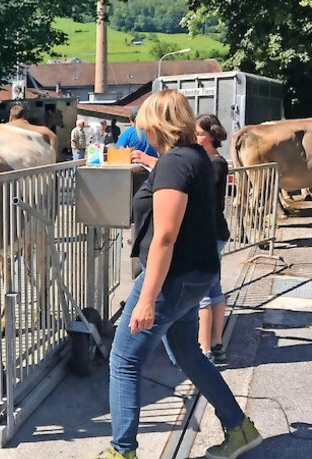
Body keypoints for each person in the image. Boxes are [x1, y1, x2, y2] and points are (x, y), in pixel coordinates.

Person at [100, 90, 261, 459]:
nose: (143, 135)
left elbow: (166, 236)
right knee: (189, 355)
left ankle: (121, 451)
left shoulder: (174, 163)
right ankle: (240, 428)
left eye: (145, 127)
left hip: (172, 277)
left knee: (124, 360)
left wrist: (145, 299)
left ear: (157, 124)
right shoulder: (197, 158)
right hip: (198, 272)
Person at [195, 114, 231, 364]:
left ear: (211, 135)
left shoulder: (215, 164)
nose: (195, 138)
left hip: (208, 235)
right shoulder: (208, 161)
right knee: (214, 288)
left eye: (198, 134)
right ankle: (217, 344)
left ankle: (204, 349)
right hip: (214, 233)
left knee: (204, 293)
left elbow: (201, 182)